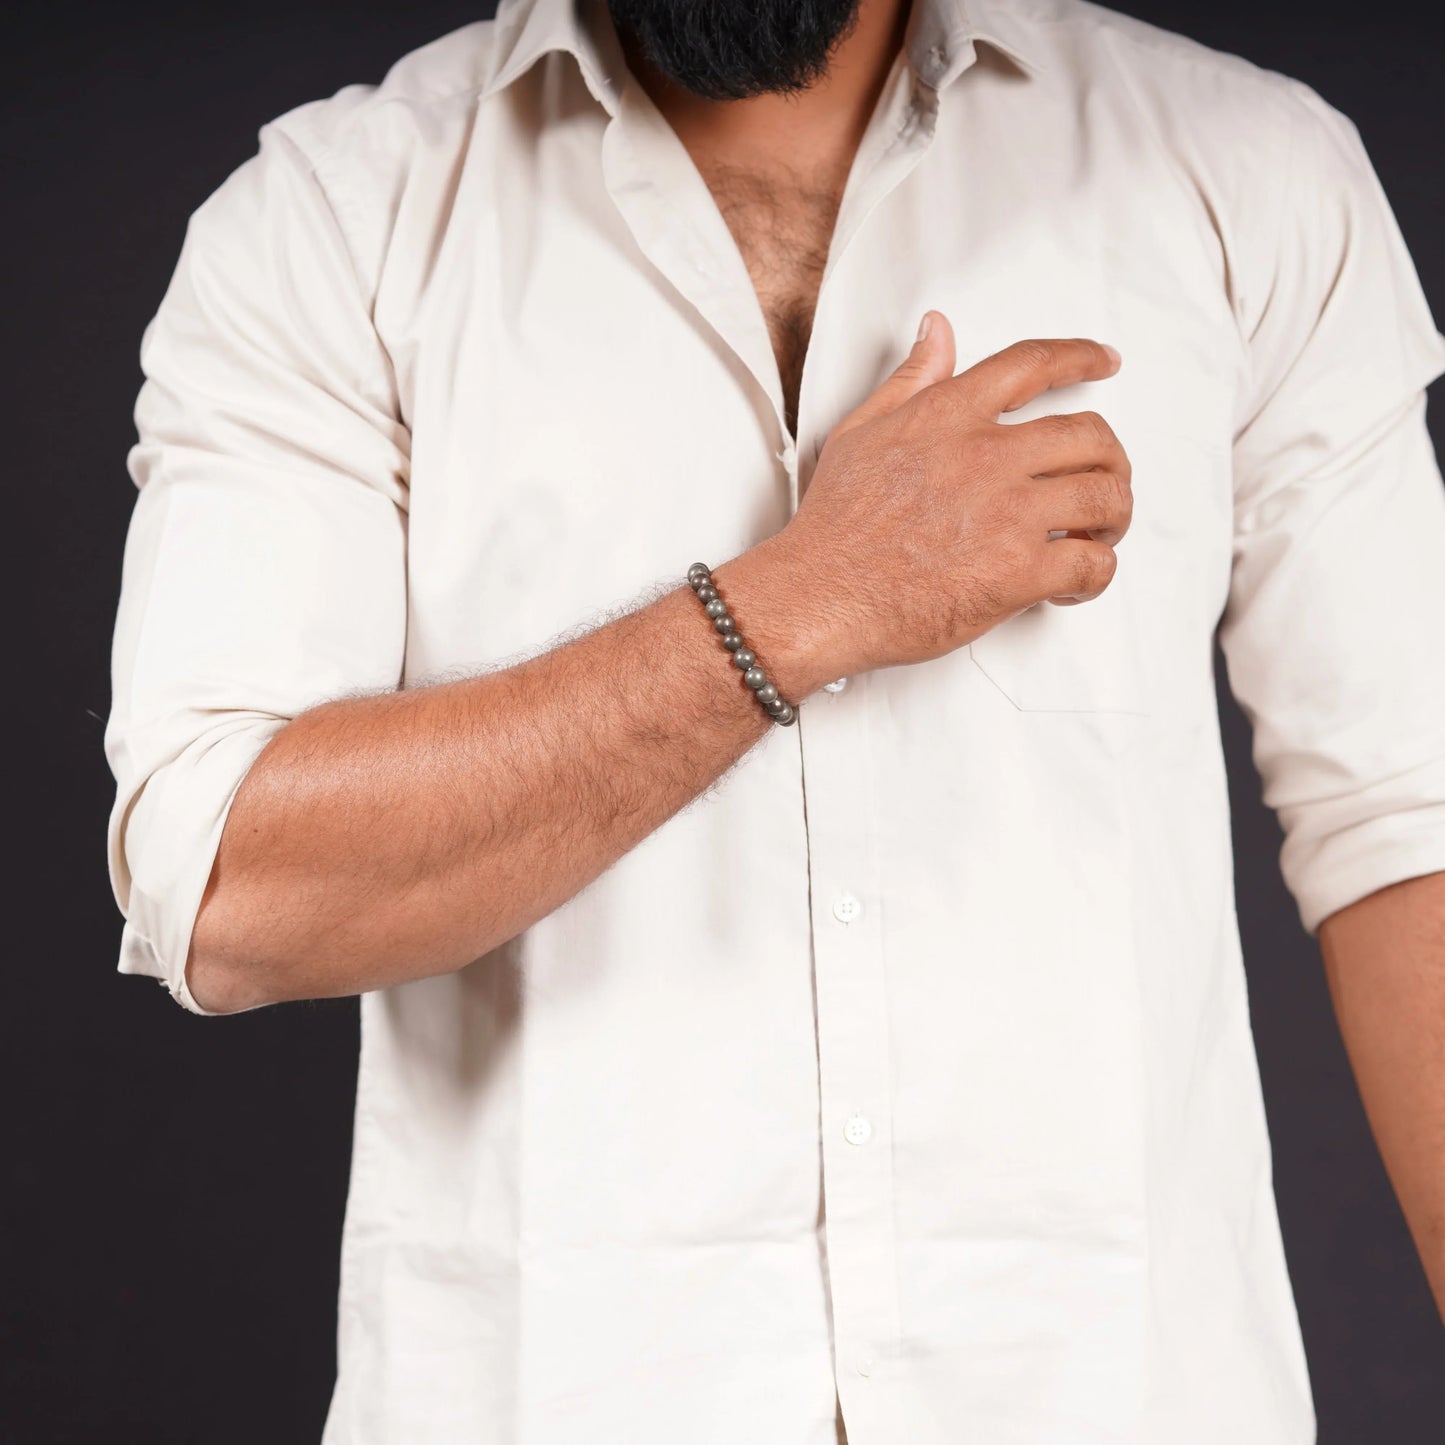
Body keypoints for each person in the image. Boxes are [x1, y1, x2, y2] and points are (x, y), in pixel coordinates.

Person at [103, 0, 1445, 1439]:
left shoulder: (1245, 175)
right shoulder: (329, 224)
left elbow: (1405, 826)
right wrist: (797, 605)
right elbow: (230, 884)